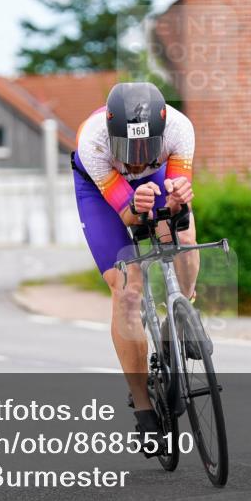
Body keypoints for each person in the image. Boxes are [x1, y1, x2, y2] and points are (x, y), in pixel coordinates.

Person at [71, 82, 198, 453]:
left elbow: (178, 208)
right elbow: (129, 216)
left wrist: (176, 202)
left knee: (184, 240)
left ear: (161, 132)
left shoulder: (179, 129)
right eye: (128, 149)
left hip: (155, 184)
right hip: (99, 188)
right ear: (113, 136)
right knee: (128, 288)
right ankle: (143, 406)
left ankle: (185, 310)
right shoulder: (93, 141)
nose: (138, 160)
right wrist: (135, 204)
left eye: (146, 149)